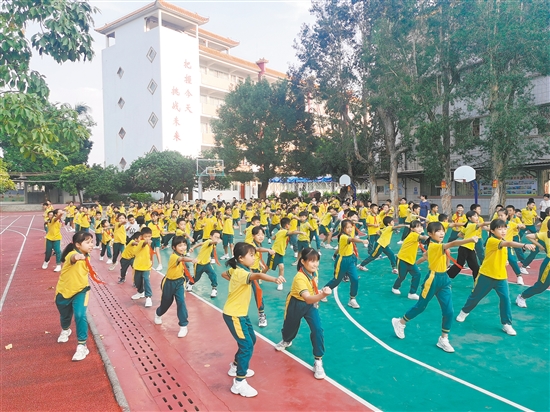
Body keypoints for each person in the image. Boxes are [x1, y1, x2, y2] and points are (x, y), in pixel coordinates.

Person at [392, 222, 478, 353]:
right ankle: (401, 322)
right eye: (438, 231)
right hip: (432, 280)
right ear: (430, 234)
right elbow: (453, 244)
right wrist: (470, 239)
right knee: (421, 306)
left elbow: (443, 254)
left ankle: (443, 339)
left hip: (444, 280)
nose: (442, 233)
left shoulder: (438, 246)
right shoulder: (434, 246)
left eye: (443, 230)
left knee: (449, 311)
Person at [221, 242, 284, 398]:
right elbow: (259, 275)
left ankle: (235, 366)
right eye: (251, 255)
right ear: (241, 258)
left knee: (252, 340)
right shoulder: (242, 273)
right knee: (247, 345)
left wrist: (235, 285)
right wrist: (275, 279)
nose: (255, 257)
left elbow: (225, 274)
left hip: (241, 313)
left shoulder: (236, 269)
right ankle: (239, 383)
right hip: (234, 315)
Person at [456, 219, 536, 336]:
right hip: (486, 275)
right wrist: (524, 244)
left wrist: (504, 262)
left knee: (505, 299)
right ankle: (464, 312)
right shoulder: (492, 240)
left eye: (505, 228)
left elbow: (502, 254)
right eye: (500, 228)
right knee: (475, 297)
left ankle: (507, 324)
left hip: (501, 277)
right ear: (492, 231)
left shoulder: (502, 241)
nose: (503, 231)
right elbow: (508, 244)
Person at [274, 248, 331, 380]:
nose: (315, 264)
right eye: (311, 261)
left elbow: (312, 292)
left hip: (310, 304)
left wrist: (318, 294)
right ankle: (287, 340)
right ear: (303, 262)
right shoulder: (299, 278)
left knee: (317, 329)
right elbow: (307, 298)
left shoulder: (314, 272)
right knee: (290, 327)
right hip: (296, 303)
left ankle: (318, 360)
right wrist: (321, 295)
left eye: (316, 260)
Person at [54, 231, 95, 361]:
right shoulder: (72, 254)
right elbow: (72, 258)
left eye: (92, 242)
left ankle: (82, 345)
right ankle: (66, 329)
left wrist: (82, 256)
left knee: (80, 315)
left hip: (81, 291)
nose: (91, 245)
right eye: (87, 242)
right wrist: (77, 257)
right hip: (64, 292)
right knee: (65, 317)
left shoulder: (87, 255)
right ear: (77, 244)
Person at [154, 236, 196, 337]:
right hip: (169, 283)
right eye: (180, 245)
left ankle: (183, 326)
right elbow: (182, 259)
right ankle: (158, 313)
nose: (183, 247)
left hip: (179, 282)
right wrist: (191, 260)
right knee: (166, 304)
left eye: (184, 245)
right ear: (174, 247)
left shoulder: (182, 254)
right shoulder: (174, 257)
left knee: (181, 302)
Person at [324, 219, 369, 309]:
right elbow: (351, 239)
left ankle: (352, 299)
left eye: (351, 227)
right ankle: (323, 292)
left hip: (351, 260)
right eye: (347, 227)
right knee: (336, 280)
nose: (350, 229)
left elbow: (351, 225)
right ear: (343, 229)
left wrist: (355, 221)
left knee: (355, 279)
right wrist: (362, 241)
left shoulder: (350, 232)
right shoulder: (343, 237)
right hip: (342, 261)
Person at [516, 219, 550, 308]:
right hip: (548, 265)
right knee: (541, 286)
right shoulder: (545, 235)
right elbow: (529, 236)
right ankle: (522, 297)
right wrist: (540, 245)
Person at [447, 211, 488, 283]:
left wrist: (467, 237)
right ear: (469, 218)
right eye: (475, 216)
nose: (477, 218)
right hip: (464, 248)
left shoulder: (467, 225)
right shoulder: (472, 225)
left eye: (477, 216)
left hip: (470, 249)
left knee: (475, 267)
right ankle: (445, 278)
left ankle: (477, 283)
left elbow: (459, 234)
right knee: (459, 266)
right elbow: (483, 224)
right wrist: (496, 222)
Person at [392, 220, 429, 299]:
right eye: (417, 227)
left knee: (417, 274)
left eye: (420, 226)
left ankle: (412, 293)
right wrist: (428, 236)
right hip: (402, 259)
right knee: (402, 276)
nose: (419, 228)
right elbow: (423, 237)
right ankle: (395, 287)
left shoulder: (416, 235)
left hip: (410, 261)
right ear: (412, 229)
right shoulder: (413, 235)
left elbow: (424, 241)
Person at [267, 217, 303, 291]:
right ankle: (258, 277)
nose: (290, 226)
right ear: (286, 225)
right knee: (267, 268)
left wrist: (277, 237)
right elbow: (292, 232)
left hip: (280, 253)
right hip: (274, 252)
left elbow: (273, 237)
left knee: (281, 267)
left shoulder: (280, 231)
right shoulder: (283, 231)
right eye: (289, 225)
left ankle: (280, 283)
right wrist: (300, 232)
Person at [188, 230, 222, 297]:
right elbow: (212, 242)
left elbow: (200, 243)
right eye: (215, 237)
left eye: (218, 237)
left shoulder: (208, 243)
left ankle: (214, 289)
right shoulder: (209, 242)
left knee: (213, 275)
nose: (216, 238)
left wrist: (193, 248)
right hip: (199, 264)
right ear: (210, 236)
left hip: (207, 263)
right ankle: (189, 284)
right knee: (196, 278)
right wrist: (216, 241)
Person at [131, 227, 154, 307]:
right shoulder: (141, 243)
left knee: (146, 280)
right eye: (146, 236)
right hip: (138, 266)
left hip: (146, 266)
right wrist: (146, 241)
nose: (148, 238)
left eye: (149, 236)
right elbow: (144, 244)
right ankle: (140, 292)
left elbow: (151, 253)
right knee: (137, 281)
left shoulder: (150, 244)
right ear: (141, 237)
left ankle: (148, 297)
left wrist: (152, 262)